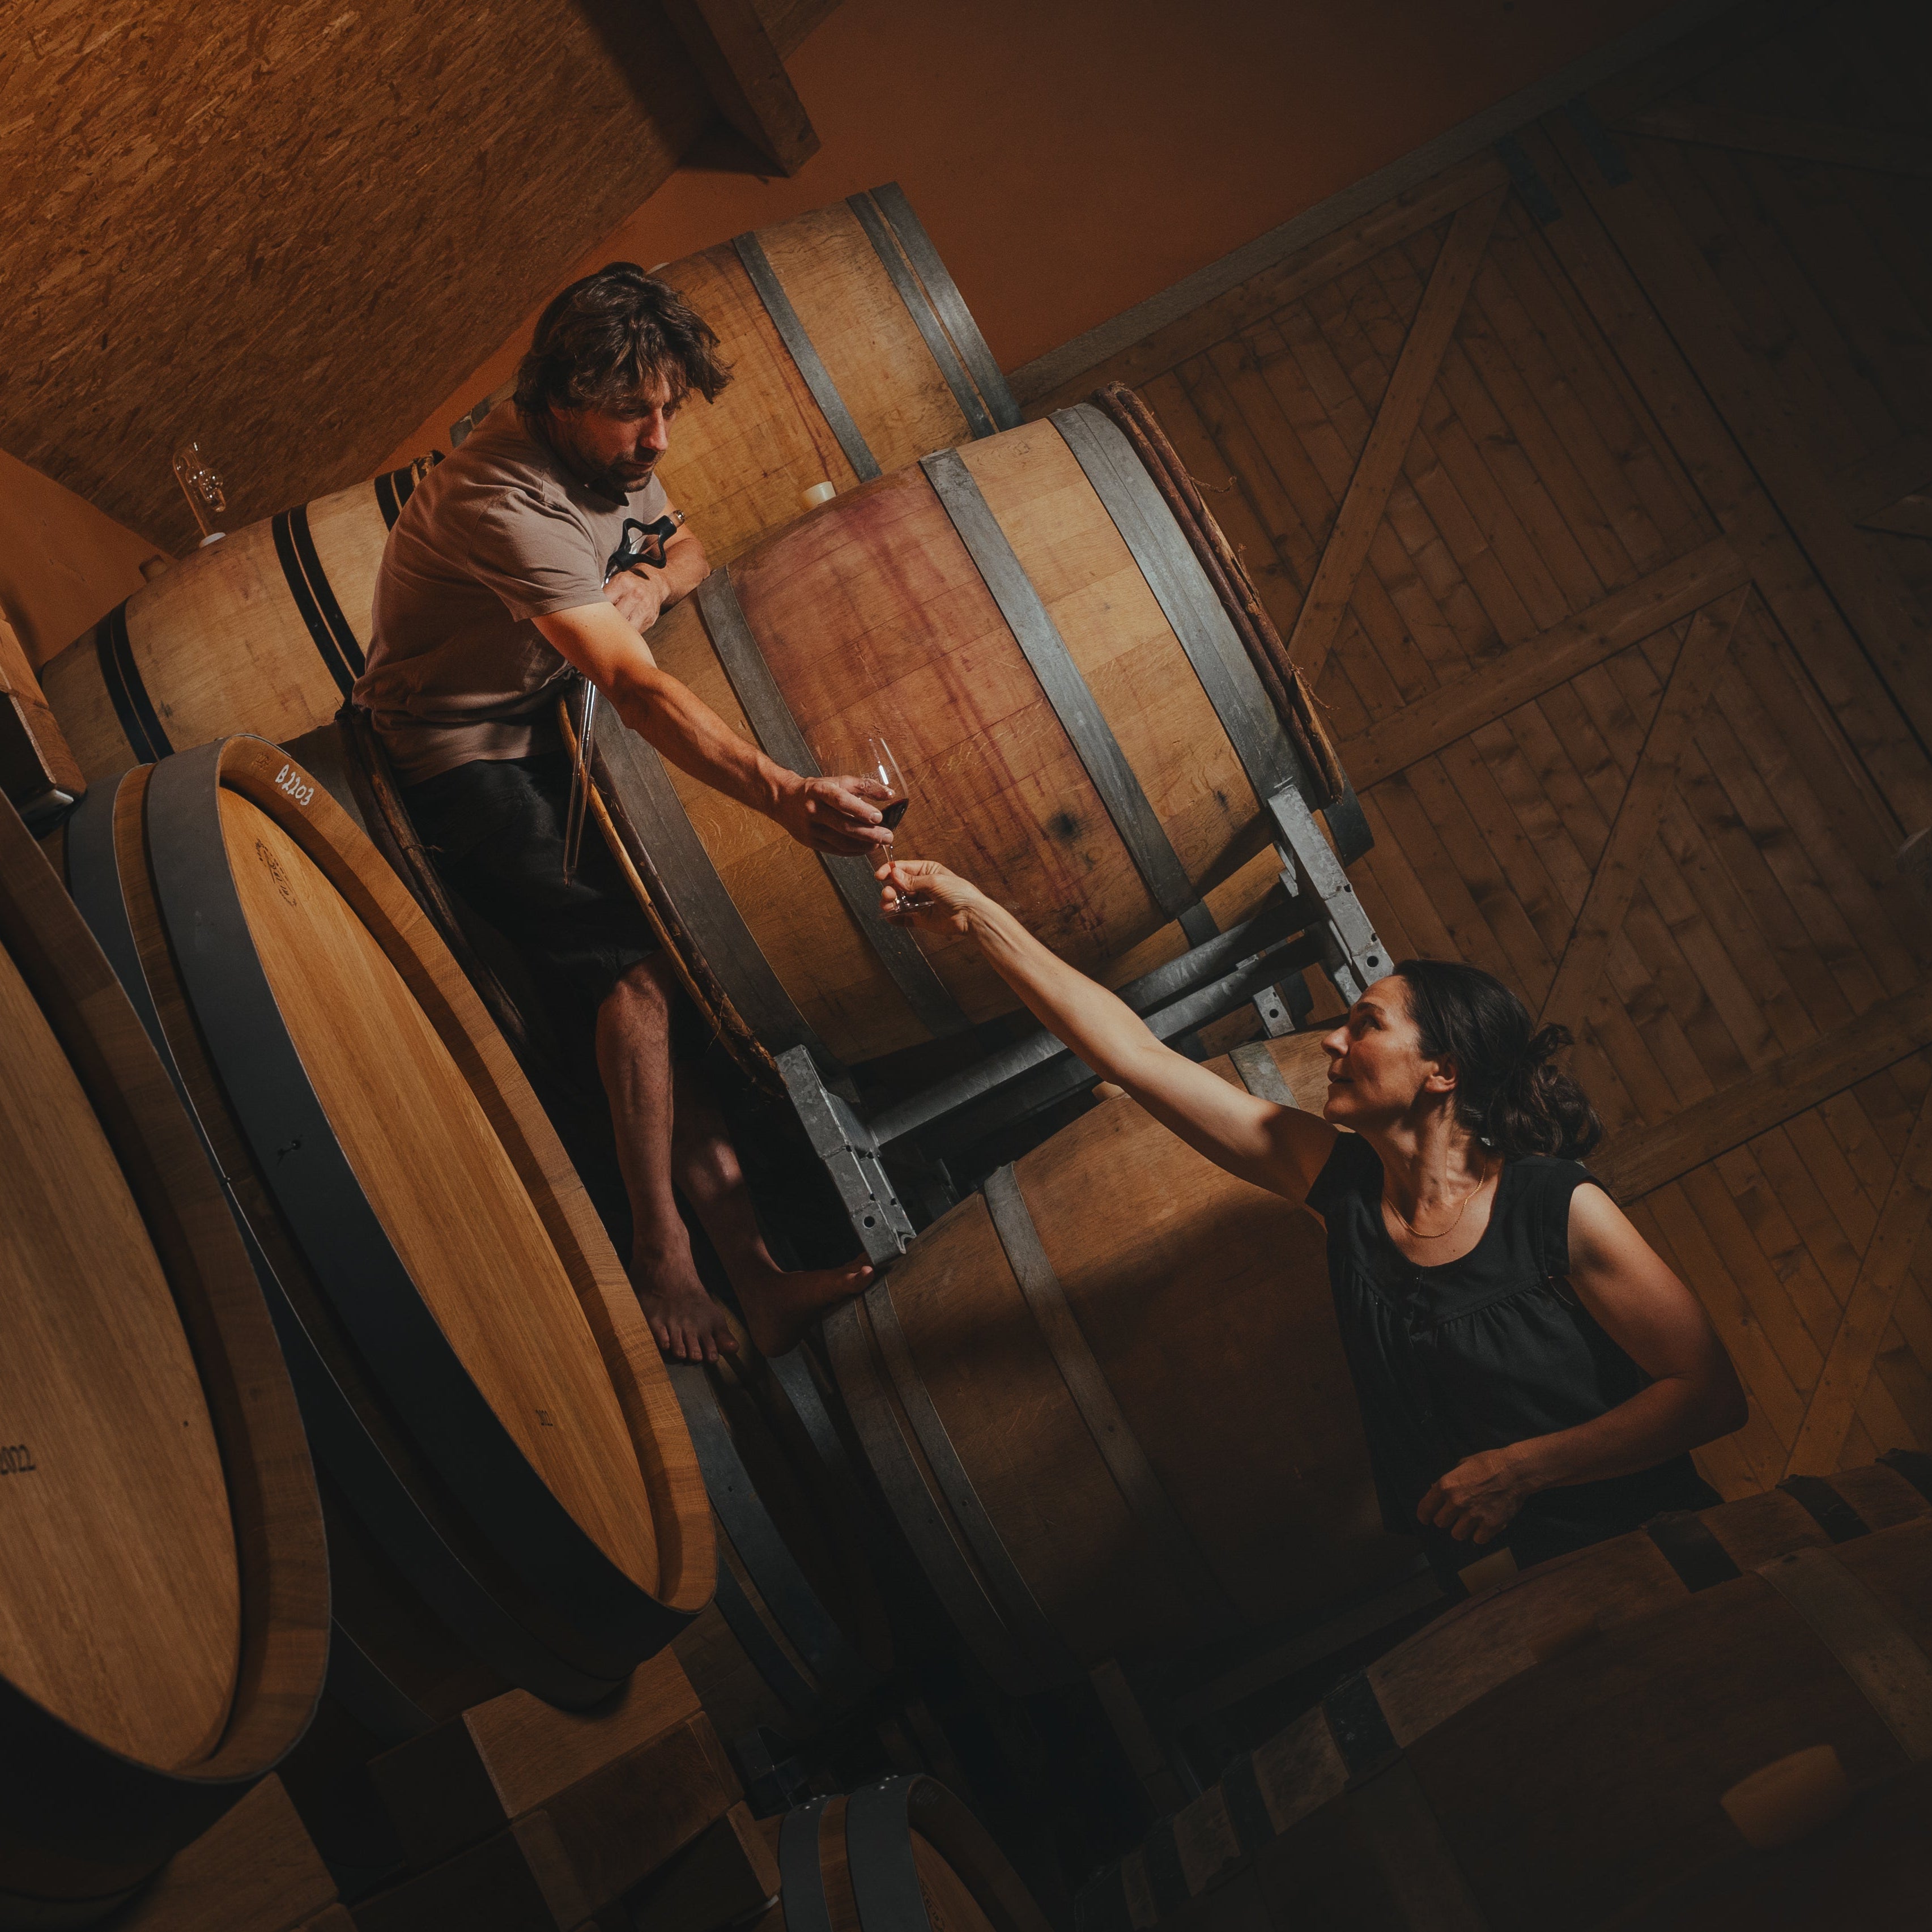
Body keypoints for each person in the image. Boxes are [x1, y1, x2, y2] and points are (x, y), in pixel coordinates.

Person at [874, 855, 1748, 1585]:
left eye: (1364, 1024)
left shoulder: (1556, 1207)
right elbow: (1133, 1056)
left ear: (1439, 1071)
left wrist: (1524, 1469)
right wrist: (979, 916)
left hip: (1656, 1560)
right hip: (1495, 1594)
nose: (1332, 1040)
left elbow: (1707, 1394)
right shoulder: (1337, 1185)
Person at [354, 263, 886, 1363]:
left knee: (668, 990)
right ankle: (666, 1261)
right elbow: (637, 690)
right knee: (635, 985)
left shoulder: (604, 458)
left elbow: (680, 544)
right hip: (458, 754)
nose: (656, 439)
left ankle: (759, 1276)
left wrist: (654, 585)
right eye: (632, 413)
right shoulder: (504, 502)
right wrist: (783, 793)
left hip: (547, 723)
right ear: (558, 399)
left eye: (668, 408)